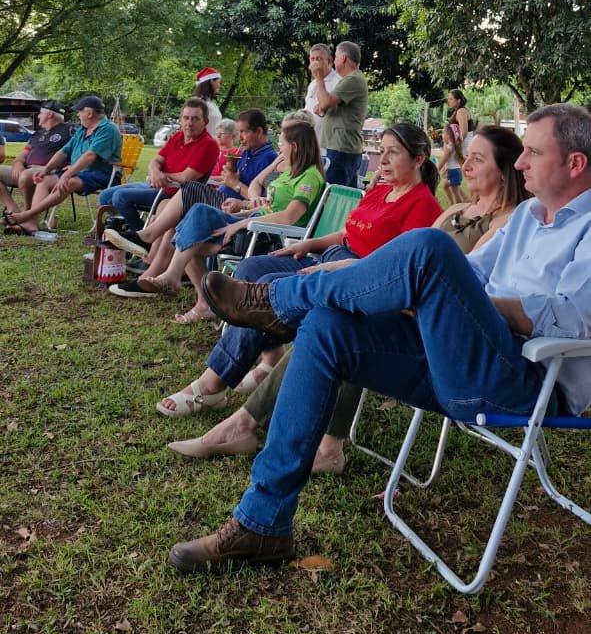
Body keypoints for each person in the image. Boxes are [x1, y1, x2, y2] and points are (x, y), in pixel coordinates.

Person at [169, 103, 591, 571]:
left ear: (575, 163)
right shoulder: (529, 214)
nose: (520, 162)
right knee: (327, 326)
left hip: (527, 382)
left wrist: (458, 301)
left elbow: (573, 318)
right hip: (458, 353)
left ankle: (279, 303)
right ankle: (262, 523)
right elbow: (471, 275)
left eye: (533, 152)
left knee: (429, 246)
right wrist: (438, 296)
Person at [167, 124, 528, 465]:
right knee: (260, 275)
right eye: (468, 156)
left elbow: (452, 283)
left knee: (336, 317)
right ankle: (245, 390)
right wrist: (319, 251)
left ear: (505, 169)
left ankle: (283, 417)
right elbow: (386, 252)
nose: (465, 164)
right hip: (362, 273)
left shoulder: (503, 222)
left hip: (419, 313)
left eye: (478, 158)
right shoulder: (454, 210)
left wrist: (346, 269)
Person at [158, 123, 441, 418]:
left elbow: (398, 270)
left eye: (393, 153)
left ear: (418, 159)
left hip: (356, 278)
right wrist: (308, 243)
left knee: (267, 286)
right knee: (252, 267)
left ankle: (212, 384)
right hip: (327, 257)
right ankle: (270, 356)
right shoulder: (380, 192)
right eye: (381, 151)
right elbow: (348, 234)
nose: (382, 160)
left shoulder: (423, 207)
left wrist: (338, 265)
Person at [141, 118, 325, 317]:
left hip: (267, 235)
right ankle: (200, 299)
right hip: (253, 221)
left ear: (295, 147)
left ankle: (175, 276)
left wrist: (241, 222)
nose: (279, 148)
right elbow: (268, 206)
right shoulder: (289, 171)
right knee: (192, 230)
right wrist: (241, 209)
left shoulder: (309, 176)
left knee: (195, 224)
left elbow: (289, 217)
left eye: (282, 143)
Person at [105, 109, 276, 310]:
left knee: (189, 191)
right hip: (224, 200)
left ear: (258, 131)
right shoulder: (248, 152)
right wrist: (231, 176)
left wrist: (235, 184)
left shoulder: (268, 158)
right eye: (238, 132)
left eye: (244, 132)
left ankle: (149, 250)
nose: (240, 138)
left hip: (234, 210)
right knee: (172, 209)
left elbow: (260, 202)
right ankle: (150, 273)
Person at [5, 96, 121, 236]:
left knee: (68, 182)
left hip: (101, 174)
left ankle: (27, 215)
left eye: (79, 111)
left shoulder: (108, 129)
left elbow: (90, 156)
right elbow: (64, 151)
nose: (78, 114)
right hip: (79, 172)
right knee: (43, 180)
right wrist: (45, 170)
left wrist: (66, 175)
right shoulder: (83, 129)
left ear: (90, 113)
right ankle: (31, 223)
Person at [99, 98, 218, 230]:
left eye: (195, 119)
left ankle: (139, 236)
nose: (189, 123)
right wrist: (155, 172)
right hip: (156, 185)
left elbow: (186, 177)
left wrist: (162, 176)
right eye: (186, 118)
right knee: (105, 196)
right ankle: (120, 231)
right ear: (180, 119)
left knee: (120, 197)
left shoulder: (209, 145)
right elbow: (156, 160)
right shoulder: (178, 136)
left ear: (205, 121)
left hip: (176, 194)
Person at [0, 101, 73, 217]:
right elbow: (23, 154)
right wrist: (18, 162)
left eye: (40, 113)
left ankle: (28, 214)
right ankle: (13, 210)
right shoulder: (37, 134)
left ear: (50, 115)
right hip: (26, 169)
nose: (38, 116)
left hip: (49, 171)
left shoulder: (70, 130)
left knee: (25, 175)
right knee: (21, 173)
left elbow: (84, 147)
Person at [311, 41, 368, 187]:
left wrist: (319, 78)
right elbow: (327, 104)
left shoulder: (353, 79)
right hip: (340, 149)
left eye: (335, 57)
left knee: (333, 195)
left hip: (341, 149)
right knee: (343, 195)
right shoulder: (351, 79)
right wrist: (324, 105)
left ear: (343, 58)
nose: (334, 61)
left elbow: (325, 103)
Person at [304, 44, 340, 148]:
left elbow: (325, 106)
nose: (315, 63)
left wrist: (319, 78)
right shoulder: (313, 84)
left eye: (319, 59)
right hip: (311, 144)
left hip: (329, 146)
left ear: (329, 61)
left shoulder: (338, 82)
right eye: (312, 59)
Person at [438, 120, 465, 205]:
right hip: (456, 171)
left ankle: (460, 208)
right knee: (445, 186)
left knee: (455, 191)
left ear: (448, 135)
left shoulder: (449, 146)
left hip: (453, 172)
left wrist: (437, 169)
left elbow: (444, 159)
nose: (442, 135)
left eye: (443, 133)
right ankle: (452, 203)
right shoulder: (455, 145)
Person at [194, 67, 223, 138]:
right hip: (202, 142)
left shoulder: (212, 102)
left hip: (214, 142)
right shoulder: (197, 102)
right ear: (211, 81)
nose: (219, 85)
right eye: (218, 82)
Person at [447, 88, 475, 157]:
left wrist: (454, 148)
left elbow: (464, 133)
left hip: (464, 146)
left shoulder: (461, 111)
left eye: (451, 99)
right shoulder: (459, 110)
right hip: (463, 145)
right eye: (448, 99)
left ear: (458, 100)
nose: (448, 101)